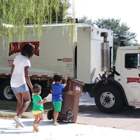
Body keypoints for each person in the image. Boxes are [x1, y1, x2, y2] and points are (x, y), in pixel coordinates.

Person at [10, 43, 34, 128]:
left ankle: (17, 123)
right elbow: (27, 76)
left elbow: (12, 70)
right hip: (21, 82)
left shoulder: (16, 57)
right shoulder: (26, 61)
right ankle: (18, 117)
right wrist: (31, 87)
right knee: (28, 100)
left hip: (13, 82)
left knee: (20, 102)